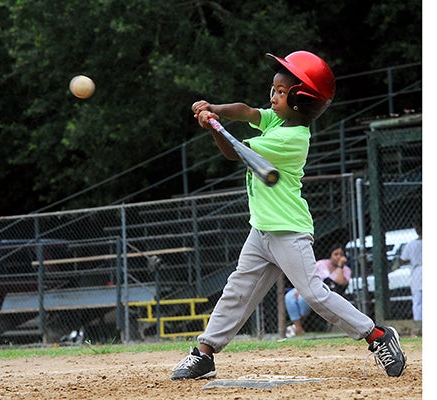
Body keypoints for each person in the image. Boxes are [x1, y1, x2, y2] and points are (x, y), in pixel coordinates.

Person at [171, 50, 406, 380]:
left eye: (281, 92)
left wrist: (214, 128)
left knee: (314, 294)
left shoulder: (291, 137)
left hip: (288, 231)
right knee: (238, 290)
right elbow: (248, 112)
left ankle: (378, 336)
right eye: (274, 88)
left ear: (302, 101)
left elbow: (232, 151)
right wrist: (216, 111)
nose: (273, 96)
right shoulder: (278, 120)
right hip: (261, 230)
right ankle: (205, 353)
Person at [285, 244, 350, 337]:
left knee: (303, 299)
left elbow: (341, 282)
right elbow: (308, 275)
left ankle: (297, 327)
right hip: (307, 285)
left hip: (322, 292)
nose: (338, 257)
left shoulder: (345, 269)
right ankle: (298, 327)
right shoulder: (321, 263)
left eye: (341, 254)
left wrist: (340, 266)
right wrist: (301, 288)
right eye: (336, 254)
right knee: (289, 296)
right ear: (331, 255)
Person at [400, 218, 422, 321]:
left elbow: (403, 259)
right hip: (417, 270)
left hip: (417, 270)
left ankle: (418, 321)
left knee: (417, 299)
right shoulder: (411, 244)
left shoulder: (411, 244)